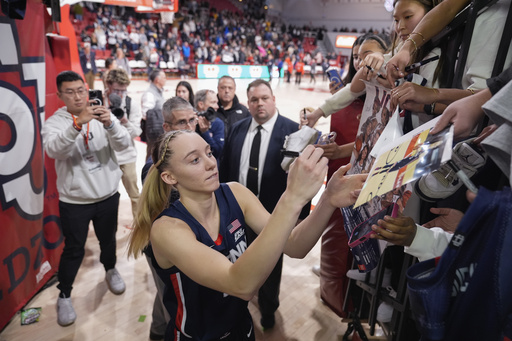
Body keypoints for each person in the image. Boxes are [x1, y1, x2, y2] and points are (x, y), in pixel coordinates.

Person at [128, 129, 367, 340]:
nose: (211, 163)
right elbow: (240, 284)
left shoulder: (236, 193)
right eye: (194, 160)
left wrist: (328, 200)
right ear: (170, 177)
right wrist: (293, 197)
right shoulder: (167, 229)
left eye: (209, 153)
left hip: (242, 328)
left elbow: (294, 245)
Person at [41, 71, 131, 326]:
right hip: (75, 201)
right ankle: (65, 294)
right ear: (60, 95)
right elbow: (54, 149)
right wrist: (77, 123)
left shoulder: (101, 113)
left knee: (108, 240)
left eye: (81, 90)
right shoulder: (55, 122)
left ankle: (110, 269)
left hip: (107, 196)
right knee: (73, 249)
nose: (78, 96)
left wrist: (111, 124)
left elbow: (125, 144)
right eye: (70, 92)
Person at [219, 79, 311, 329]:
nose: (260, 103)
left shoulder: (293, 132)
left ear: (274, 99)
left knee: (271, 265)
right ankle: (240, 301)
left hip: (274, 216)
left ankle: (268, 308)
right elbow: (227, 169)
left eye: (264, 98)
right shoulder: (237, 129)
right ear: (247, 103)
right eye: (254, 99)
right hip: (237, 213)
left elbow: (304, 179)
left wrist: (300, 215)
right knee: (238, 259)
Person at [104, 68, 142, 220]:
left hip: (127, 156)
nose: (120, 95)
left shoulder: (130, 104)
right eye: (117, 90)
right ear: (108, 85)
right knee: (106, 196)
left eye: (123, 91)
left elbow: (136, 133)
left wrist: (124, 121)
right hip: (105, 156)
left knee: (134, 194)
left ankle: (140, 227)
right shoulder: (97, 102)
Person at [141, 69, 167, 158]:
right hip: (154, 133)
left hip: (160, 130)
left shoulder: (158, 92)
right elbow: (146, 114)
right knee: (152, 156)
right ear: (157, 79)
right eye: (164, 77)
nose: (165, 79)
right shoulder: (149, 94)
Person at [194, 89, 225, 159]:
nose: (217, 106)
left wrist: (205, 133)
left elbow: (218, 152)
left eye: (217, 102)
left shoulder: (217, 123)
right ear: (201, 104)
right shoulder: (189, 121)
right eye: (213, 102)